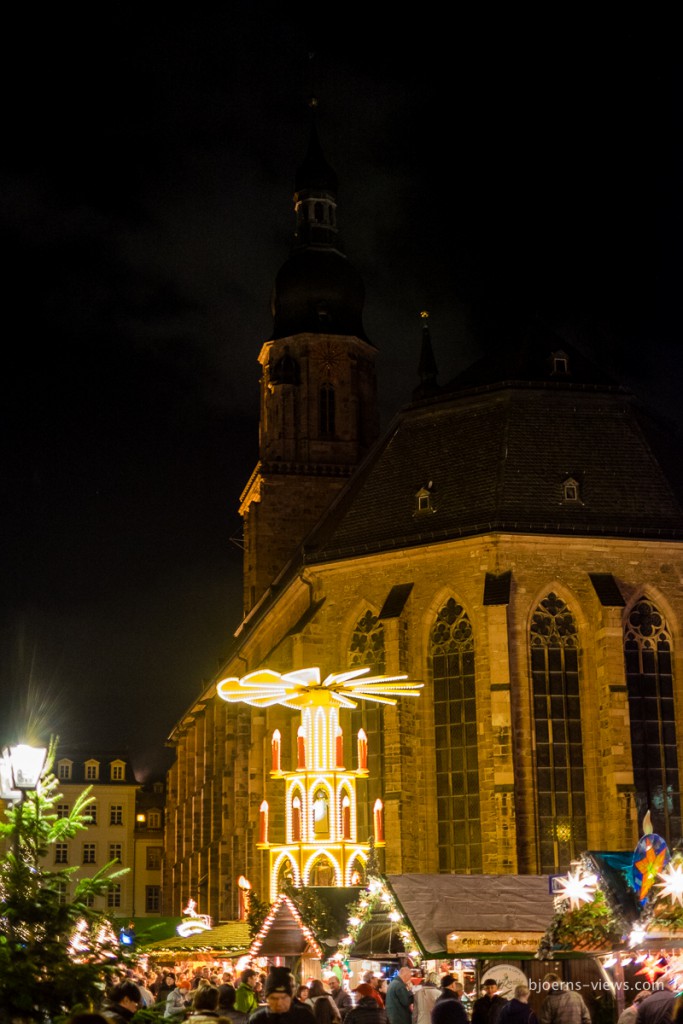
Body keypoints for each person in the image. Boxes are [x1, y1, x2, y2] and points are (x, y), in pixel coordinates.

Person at [249, 966, 316, 1024]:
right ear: (267, 998)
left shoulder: (305, 1017)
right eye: (274, 998)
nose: (279, 1003)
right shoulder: (257, 1020)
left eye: (284, 998)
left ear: (291, 996)